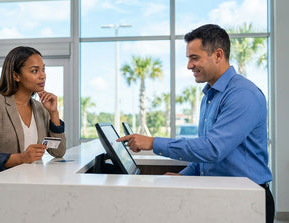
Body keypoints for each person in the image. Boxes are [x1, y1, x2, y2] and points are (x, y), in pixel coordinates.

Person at [117, 24, 274, 223]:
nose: (189, 66)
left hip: (248, 201)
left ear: (218, 55)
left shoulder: (242, 94)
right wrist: (185, 175)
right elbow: (206, 158)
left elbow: (213, 149)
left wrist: (153, 142)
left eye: (195, 58)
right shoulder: (210, 95)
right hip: (223, 196)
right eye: (189, 58)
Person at [0, 46, 66, 222]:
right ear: (16, 75)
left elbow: (58, 152)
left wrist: (54, 113)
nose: (42, 75)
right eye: (34, 71)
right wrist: (20, 158)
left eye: (43, 69)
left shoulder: (40, 108)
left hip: (22, 200)